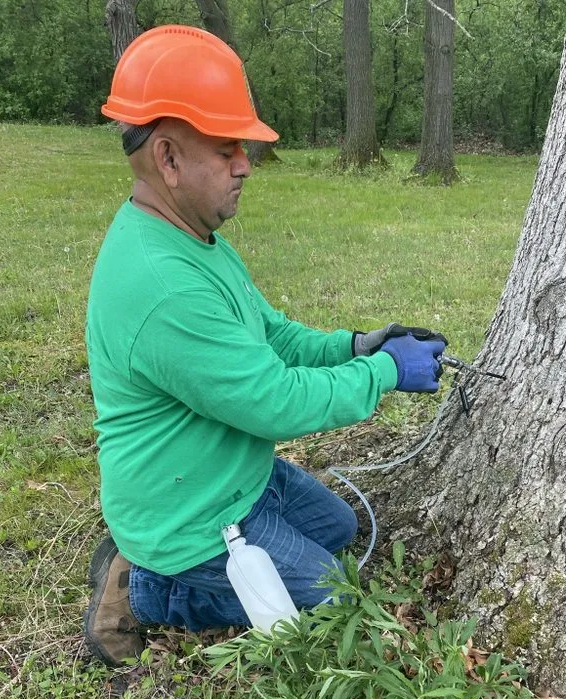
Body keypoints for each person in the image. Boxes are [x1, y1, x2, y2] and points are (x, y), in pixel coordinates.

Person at [84, 24, 447, 666]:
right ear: (168, 158)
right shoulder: (164, 287)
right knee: (332, 602)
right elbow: (273, 401)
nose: (245, 164)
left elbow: (269, 335)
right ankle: (143, 587)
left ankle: (159, 557)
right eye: (228, 149)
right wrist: (383, 376)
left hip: (232, 474)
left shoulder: (192, 239)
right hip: (192, 513)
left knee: (338, 530)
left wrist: (357, 346)